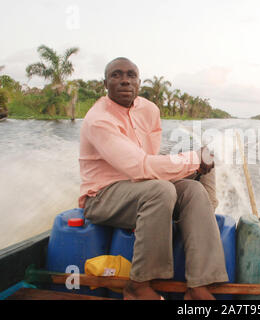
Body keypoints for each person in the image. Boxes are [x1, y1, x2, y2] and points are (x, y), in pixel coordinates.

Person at [78, 57, 228, 300]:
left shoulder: (149, 109)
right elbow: (140, 166)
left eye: (131, 75)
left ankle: (199, 283)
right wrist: (193, 159)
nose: (125, 80)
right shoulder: (99, 119)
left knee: (193, 189)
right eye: (116, 75)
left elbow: (148, 160)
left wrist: (199, 162)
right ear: (105, 83)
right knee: (161, 190)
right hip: (103, 196)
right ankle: (138, 285)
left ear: (139, 81)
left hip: (142, 184)